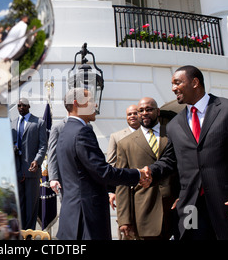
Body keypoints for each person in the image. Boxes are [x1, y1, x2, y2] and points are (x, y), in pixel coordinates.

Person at [142, 65, 228, 240]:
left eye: (177, 82)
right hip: (191, 211)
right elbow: (170, 160)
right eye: (172, 84)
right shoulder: (174, 125)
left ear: (195, 82)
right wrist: (150, 172)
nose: (173, 88)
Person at [55, 88, 149, 240]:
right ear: (77, 103)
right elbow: (103, 172)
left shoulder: (64, 132)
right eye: (91, 101)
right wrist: (138, 174)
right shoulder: (82, 132)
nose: (95, 105)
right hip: (87, 218)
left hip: (71, 217)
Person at [115, 97, 179, 240]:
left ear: (158, 111)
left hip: (174, 209)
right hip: (143, 212)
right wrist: (124, 219)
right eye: (141, 110)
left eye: (149, 109)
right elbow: (122, 184)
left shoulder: (172, 135)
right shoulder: (125, 144)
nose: (144, 113)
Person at [11, 98, 47, 230]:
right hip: (16, 169)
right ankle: (19, 233)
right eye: (19, 105)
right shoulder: (12, 123)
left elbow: (43, 146)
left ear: (29, 106)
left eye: (23, 105)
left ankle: (29, 234)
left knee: (31, 205)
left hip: (31, 170)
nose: (21, 107)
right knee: (18, 205)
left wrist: (37, 161)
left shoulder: (38, 123)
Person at [106, 104, 140, 212]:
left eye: (135, 113)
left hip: (146, 185)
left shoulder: (150, 134)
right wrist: (112, 190)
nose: (132, 116)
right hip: (124, 188)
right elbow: (111, 164)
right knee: (125, 225)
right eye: (129, 114)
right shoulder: (116, 136)